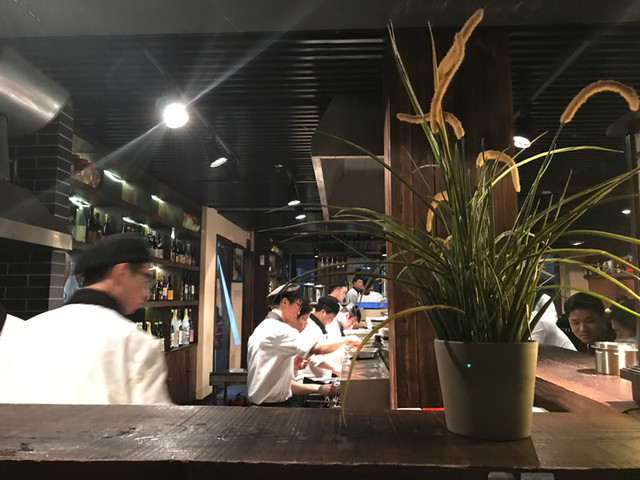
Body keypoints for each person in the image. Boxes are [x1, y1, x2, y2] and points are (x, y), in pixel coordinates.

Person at [0, 233, 172, 405]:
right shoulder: (135, 343)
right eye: (145, 277)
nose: (146, 292)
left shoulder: (24, 332)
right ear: (121, 273)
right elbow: (154, 419)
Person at [247, 284, 361, 406]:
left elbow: (281, 383)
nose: (298, 311)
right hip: (269, 407)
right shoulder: (279, 330)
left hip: (268, 404)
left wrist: (294, 366)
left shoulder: (266, 326)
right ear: (284, 302)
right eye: (298, 305)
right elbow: (317, 348)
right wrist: (346, 340)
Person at [299, 296, 343, 383]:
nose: (331, 321)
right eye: (331, 317)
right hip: (311, 380)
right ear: (323, 312)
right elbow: (313, 357)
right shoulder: (309, 327)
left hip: (322, 378)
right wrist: (334, 368)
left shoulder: (319, 326)